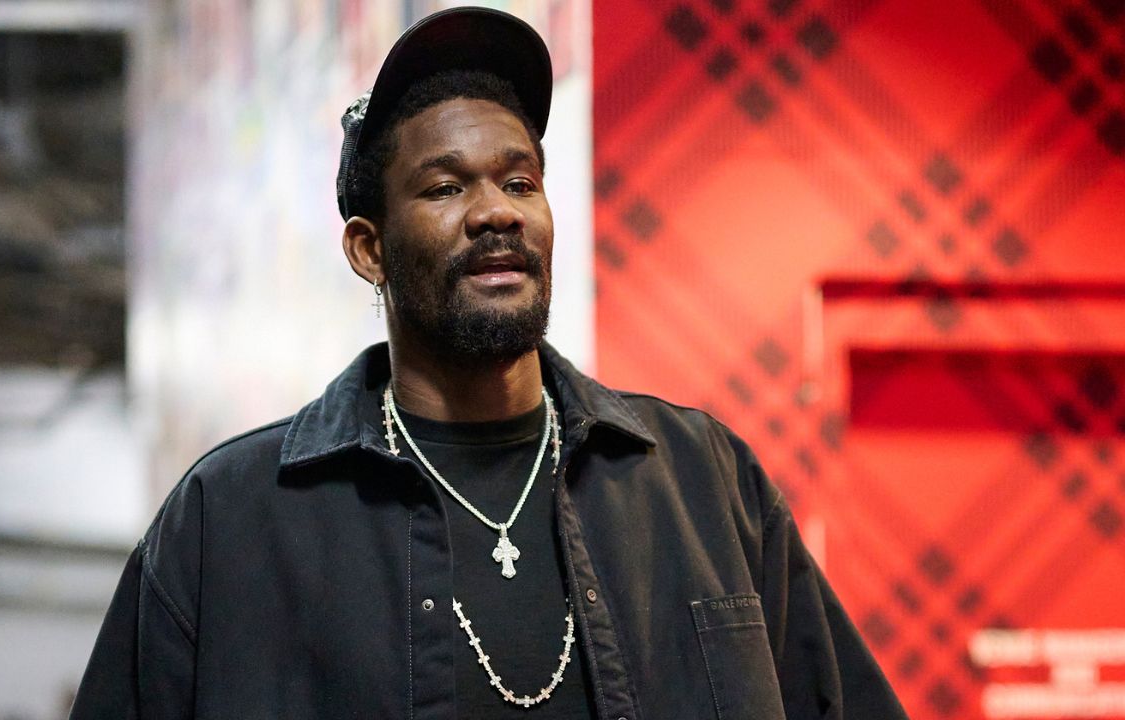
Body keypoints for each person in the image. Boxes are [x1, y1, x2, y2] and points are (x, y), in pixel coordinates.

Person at [70, 7, 909, 719]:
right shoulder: (230, 522)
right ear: (370, 251)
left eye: (519, 182)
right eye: (445, 189)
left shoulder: (700, 482)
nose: (494, 214)